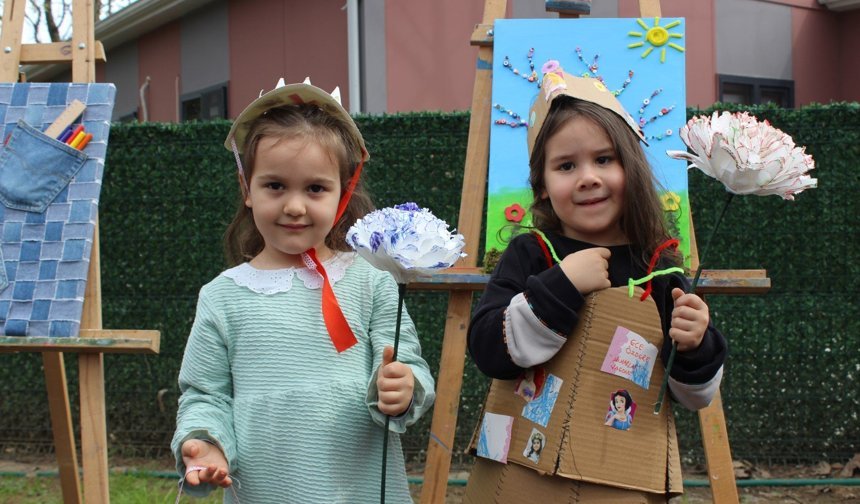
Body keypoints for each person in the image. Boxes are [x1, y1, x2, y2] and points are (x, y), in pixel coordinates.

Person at [465, 66, 726, 502]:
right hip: (520, 478)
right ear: (543, 187)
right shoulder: (532, 253)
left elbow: (692, 397)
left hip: (622, 482)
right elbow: (489, 351)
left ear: (632, 168)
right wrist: (562, 285)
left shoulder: (659, 269)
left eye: (604, 159)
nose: (587, 176)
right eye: (566, 165)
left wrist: (696, 344)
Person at [171, 79, 435, 503]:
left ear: (343, 193)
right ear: (247, 190)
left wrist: (404, 388)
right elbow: (205, 393)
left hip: (361, 490)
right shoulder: (223, 296)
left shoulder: (373, 279)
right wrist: (206, 441)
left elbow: (409, 366)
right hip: (264, 490)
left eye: (315, 188)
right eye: (275, 185)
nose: (295, 206)